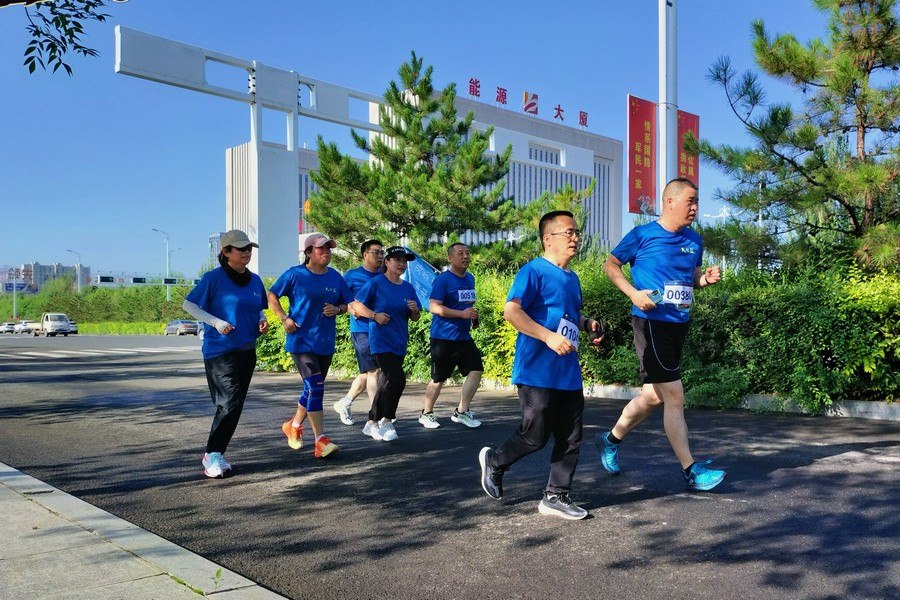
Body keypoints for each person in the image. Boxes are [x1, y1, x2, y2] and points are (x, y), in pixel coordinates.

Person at [597, 177, 726, 491]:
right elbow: (610, 265)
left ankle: (611, 440)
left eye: (697, 202)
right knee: (675, 395)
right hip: (651, 322)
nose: (695, 208)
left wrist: (705, 279)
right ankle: (690, 470)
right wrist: (633, 293)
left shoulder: (694, 240)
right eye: (690, 201)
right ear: (670, 202)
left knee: (653, 396)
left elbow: (691, 277)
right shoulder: (643, 235)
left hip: (679, 324)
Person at [478, 211, 603, 520]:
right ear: (548, 239)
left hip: (568, 372)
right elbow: (512, 312)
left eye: (577, 233)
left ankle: (556, 495)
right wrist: (548, 337)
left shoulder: (572, 278)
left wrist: (587, 323)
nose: (576, 238)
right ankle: (495, 461)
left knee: (571, 437)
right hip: (536, 370)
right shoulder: (533, 270)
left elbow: (567, 315)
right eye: (569, 232)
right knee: (535, 436)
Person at [182, 229, 269, 478]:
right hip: (220, 350)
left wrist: (261, 320)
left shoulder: (255, 280)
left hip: (246, 350)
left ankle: (217, 452)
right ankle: (212, 454)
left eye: (249, 248)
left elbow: (258, 309)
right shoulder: (214, 278)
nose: (246, 252)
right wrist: (216, 322)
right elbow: (188, 305)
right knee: (229, 401)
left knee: (234, 404)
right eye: (241, 248)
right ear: (226, 252)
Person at [268, 233, 353, 459]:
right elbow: (272, 294)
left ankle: (293, 425)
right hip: (301, 340)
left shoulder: (335, 277)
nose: (326, 252)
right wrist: (284, 318)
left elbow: (347, 304)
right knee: (316, 387)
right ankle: (320, 441)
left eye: (328, 249)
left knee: (312, 389)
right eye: (321, 248)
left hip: (324, 341)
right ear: (308, 252)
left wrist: (337, 309)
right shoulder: (295, 274)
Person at [351, 246, 422, 442]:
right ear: (387, 262)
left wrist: (415, 311)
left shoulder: (408, 288)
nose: (401, 264)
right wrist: (374, 316)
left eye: (404, 261)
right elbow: (356, 304)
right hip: (380, 341)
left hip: (399, 341)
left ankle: (372, 422)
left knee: (385, 382)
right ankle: (387, 421)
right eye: (397, 260)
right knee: (398, 379)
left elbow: (415, 317)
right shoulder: (376, 283)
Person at [418, 242, 483, 429]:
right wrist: (461, 314)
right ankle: (426, 413)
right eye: (460, 253)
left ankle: (462, 411)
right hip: (443, 337)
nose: (465, 256)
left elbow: (466, 305)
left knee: (476, 369)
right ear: (450, 258)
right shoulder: (443, 280)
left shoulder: (470, 278)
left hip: (463, 337)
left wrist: (472, 316)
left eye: (467, 253)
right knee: (438, 379)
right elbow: (433, 306)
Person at [332, 239, 384, 426]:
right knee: (373, 371)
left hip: (382, 330)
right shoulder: (352, 275)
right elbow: (340, 299)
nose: (380, 256)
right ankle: (377, 416)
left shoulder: (385, 275)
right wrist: (350, 307)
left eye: (382, 253)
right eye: (376, 252)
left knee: (369, 372)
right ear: (365, 254)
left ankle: (345, 402)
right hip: (361, 329)